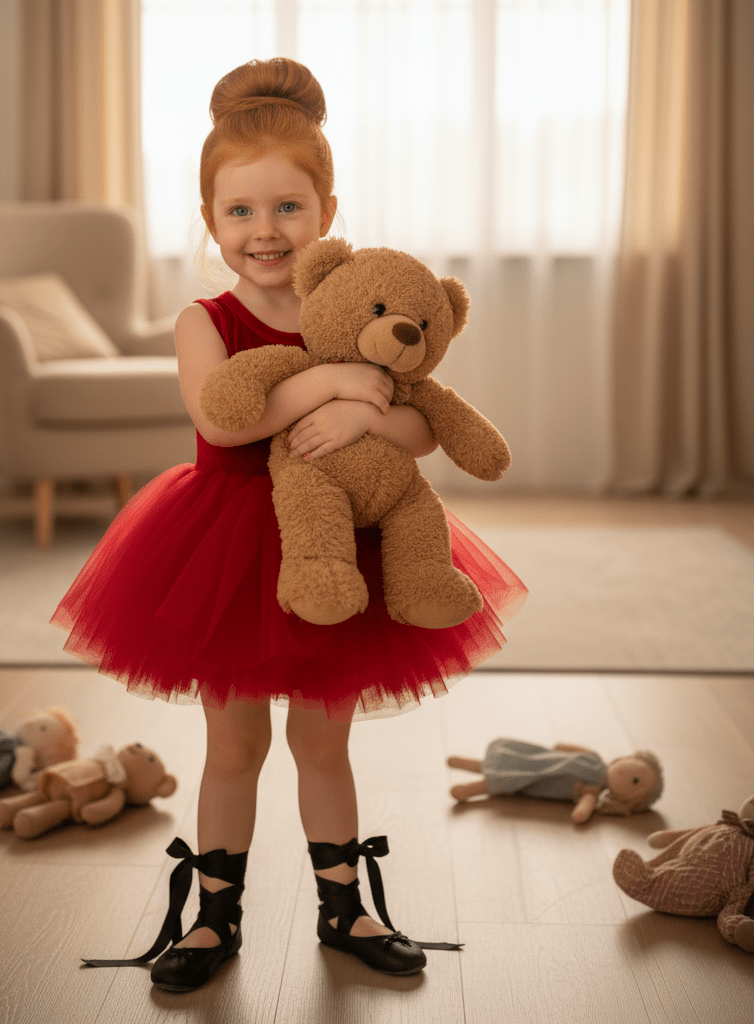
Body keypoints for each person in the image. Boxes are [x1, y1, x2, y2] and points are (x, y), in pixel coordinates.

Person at [52, 57, 526, 993]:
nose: (264, 232)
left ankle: (344, 904)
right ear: (209, 220)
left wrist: (364, 413)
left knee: (323, 738)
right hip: (229, 544)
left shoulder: (356, 305)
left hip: (344, 542)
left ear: (327, 211)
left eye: (287, 208)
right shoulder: (206, 319)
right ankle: (212, 914)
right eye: (240, 211)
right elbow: (224, 417)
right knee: (234, 743)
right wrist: (335, 381)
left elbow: (423, 419)